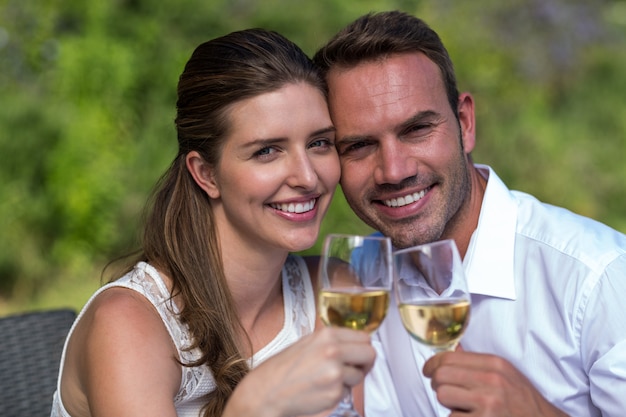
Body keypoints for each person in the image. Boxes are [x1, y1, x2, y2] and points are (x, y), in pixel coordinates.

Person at [313, 10, 626, 417]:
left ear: (465, 123)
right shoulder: (357, 288)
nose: (394, 170)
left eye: (416, 130)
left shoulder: (598, 276)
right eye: (359, 146)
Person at [50, 28, 376, 417]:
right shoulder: (128, 326)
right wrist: (253, 406)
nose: (307, 177)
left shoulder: (335, 291)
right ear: (205, 174)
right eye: (268, 151)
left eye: (319, 143)